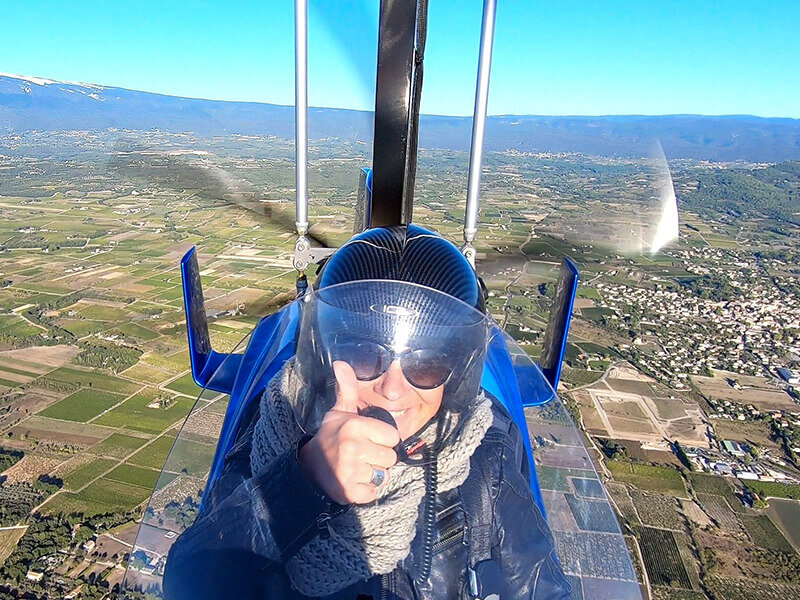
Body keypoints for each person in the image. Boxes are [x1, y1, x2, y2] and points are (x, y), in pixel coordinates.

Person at [163, 225, 570, 600]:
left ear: (458, 373)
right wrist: (300, 480)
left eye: (427, 364)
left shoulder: (486, 457)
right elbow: (191, 581)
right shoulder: (277, 424)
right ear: (325, 357)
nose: (392, 390)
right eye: (361, 353)